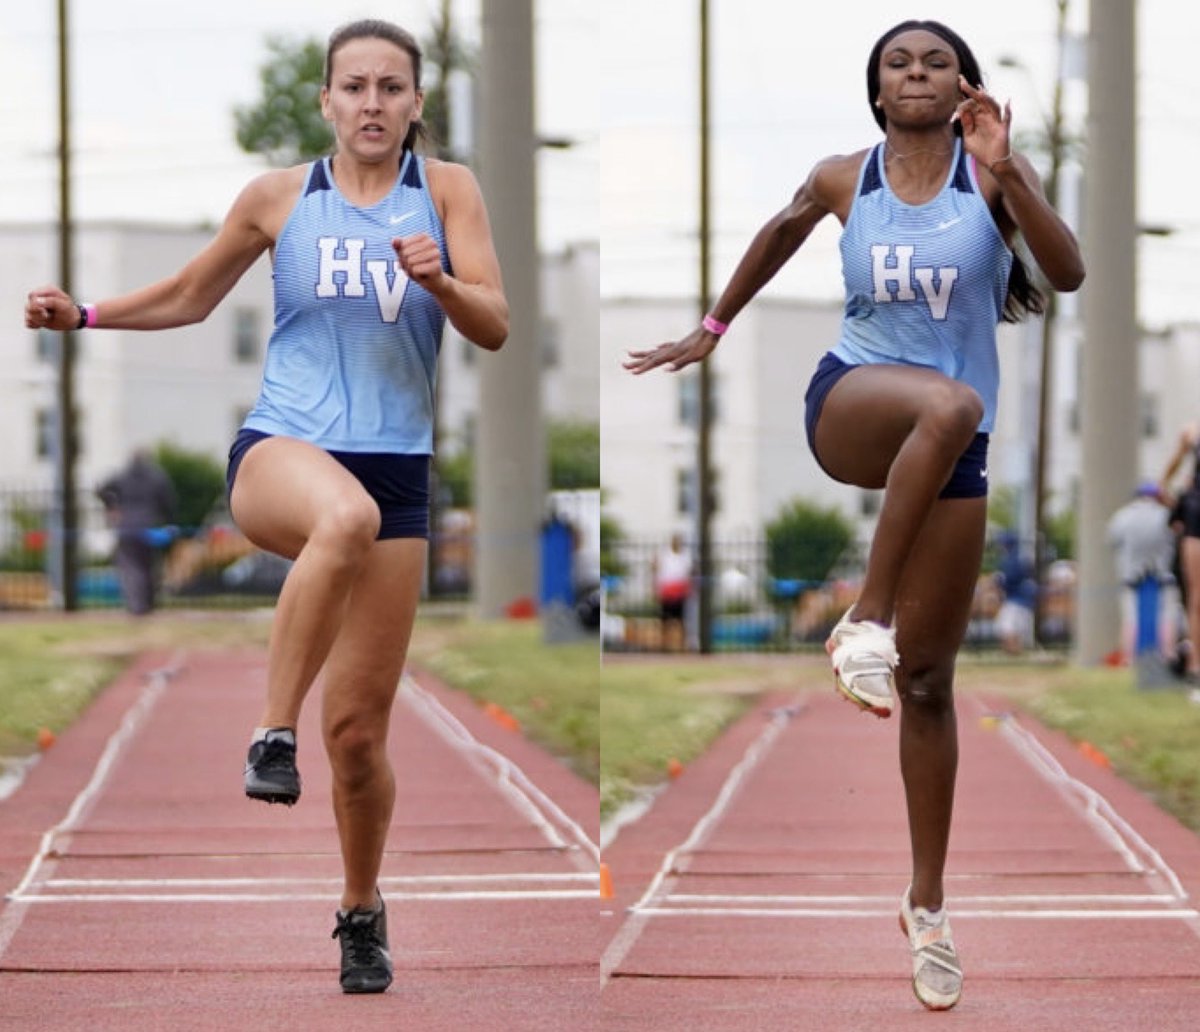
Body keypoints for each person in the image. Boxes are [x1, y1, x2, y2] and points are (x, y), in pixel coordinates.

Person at [25, 18, 507, 994]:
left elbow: (494, 324)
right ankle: (271, 732)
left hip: (397, 471)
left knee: (362, 738)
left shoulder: (447, 192)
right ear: (326, 101)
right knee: (340, 520)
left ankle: (362, 911)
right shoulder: (280, 198)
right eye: (355, 87)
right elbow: (192, 294)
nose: (373, 103)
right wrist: (85, 315)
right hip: (283, 451)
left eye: (391, 87)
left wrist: (442, 281)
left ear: (417, 103)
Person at [626, 19, 1084, 1011]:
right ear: (877, 92)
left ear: (964, 83)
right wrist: (711, 330)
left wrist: (1017, 177)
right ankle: (862, 618)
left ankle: (926, 905)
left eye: (934, 61)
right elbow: (786, 226)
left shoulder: (990, 172)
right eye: (896, 63)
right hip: (852, 404)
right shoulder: (847, 178)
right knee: (946, 403)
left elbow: (1071, 272)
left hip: (953, 453)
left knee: (928, 686)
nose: (915, 73)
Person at [97, 448, 177, 615]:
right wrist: (169, 522)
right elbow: (169, 502)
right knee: (149, 566)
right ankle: (147, 605)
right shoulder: (157, 476)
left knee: (131, 567)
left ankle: (137, 606)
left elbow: (101, 489)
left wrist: (112, 506)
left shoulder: (122, 475)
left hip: (126, 526)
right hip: (149, 525)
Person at [1106, 483, 1176, 664]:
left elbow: (1112, 541)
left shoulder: (1123, 516)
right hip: (1163, 574)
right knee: (1166, 615)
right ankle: (1167, 655)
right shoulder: (1165, 515)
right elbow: (1175, 540)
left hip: (1131, 575)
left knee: (1130, 617)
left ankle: (1129, 657)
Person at [1160, 423, 1200, 684]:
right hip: (1197, 515)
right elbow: (1164, 482)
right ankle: (1196, 666)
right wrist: (1179, 503)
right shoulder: (1192, 433)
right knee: (1197, 596)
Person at [653, 533, 692, 651]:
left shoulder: (685, 556)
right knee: (665, 620)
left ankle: (682, 645)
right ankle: (663, 645)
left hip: (679, 590)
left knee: (681, 620)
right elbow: (658, 571)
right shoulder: (665, 555)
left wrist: (687, 589)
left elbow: (687, 574)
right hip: (667, 590)